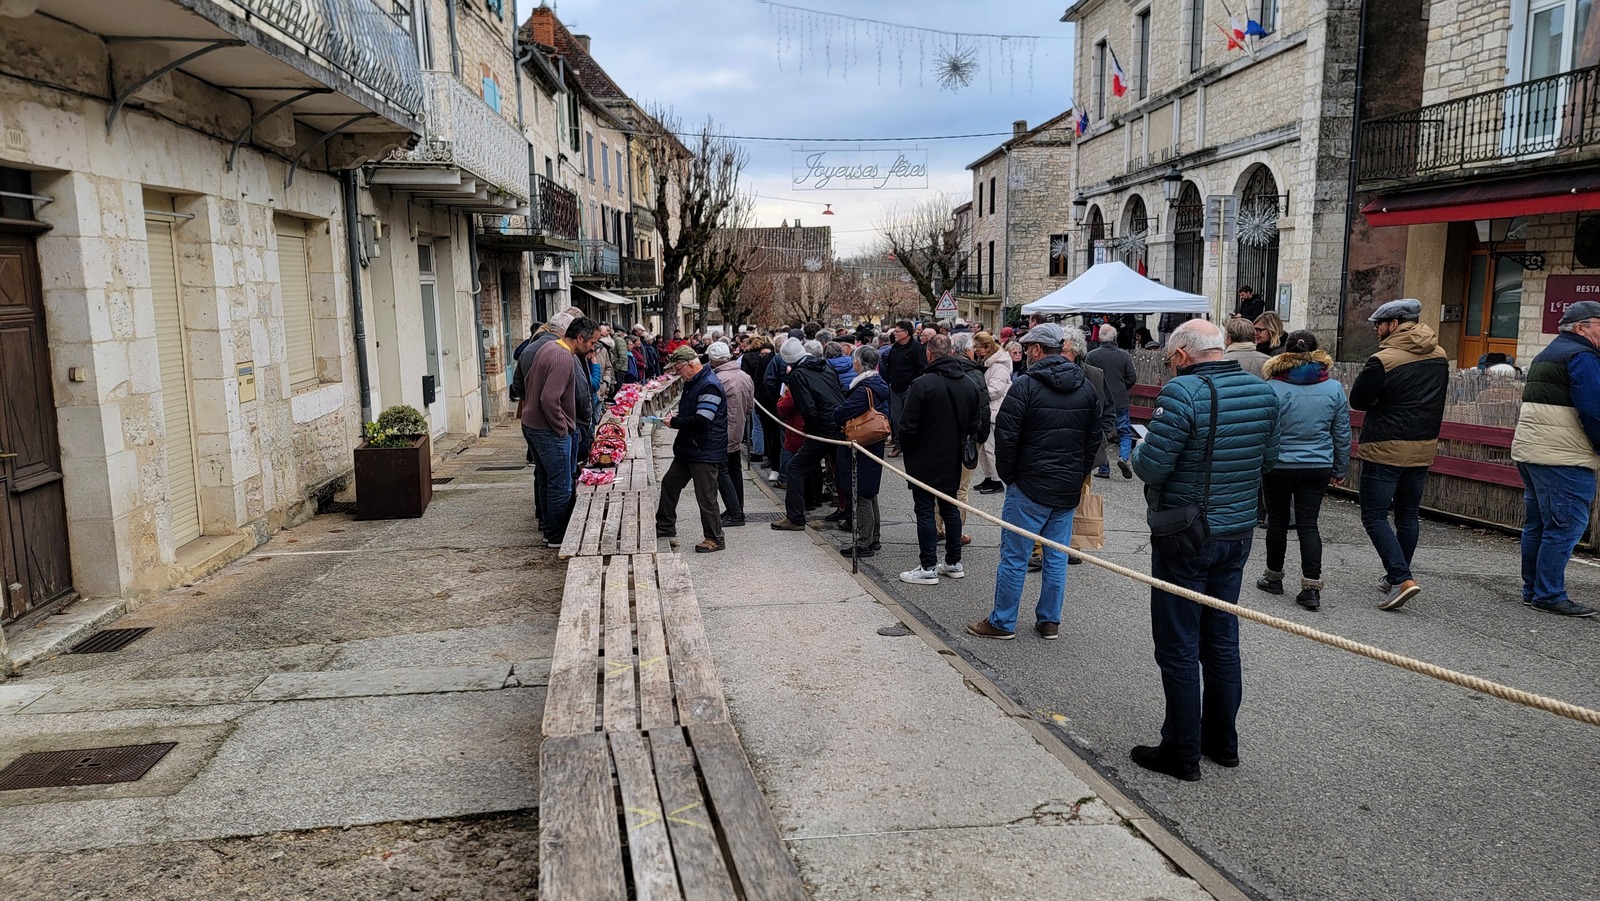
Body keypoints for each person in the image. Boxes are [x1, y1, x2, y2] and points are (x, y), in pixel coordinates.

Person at [1130, 319, 1280, 781]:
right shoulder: (1263, 391)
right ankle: (1222, 742)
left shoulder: (1182, 392)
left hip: (1187, 532)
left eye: (1169, 358)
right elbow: (1268, 460)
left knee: (1178, 642)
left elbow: (1152, 468)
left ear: (1181, 355)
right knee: (1221, 638)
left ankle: (1181, 750)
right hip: (1237, 531)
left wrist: (1136, 451)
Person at [968, 323, 1100, 640]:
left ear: (1038, 350)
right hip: (1066, 485)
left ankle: (1003, 621)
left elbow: (1007, 437)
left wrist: (1011, 477)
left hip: (1029, 484)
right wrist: (1077, 474)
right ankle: (1049, 620)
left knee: (1015, 557)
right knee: (1056, 557)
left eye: (1028, 348)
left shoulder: (1025, 386)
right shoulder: (1085, 387)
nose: (1026, 353)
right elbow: (1093, 439)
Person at [1349, 298, 1449, 611]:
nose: (1376, 330)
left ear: (1393, 324)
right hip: (1422, 445)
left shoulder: (1384, 360)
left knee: (1374, 515)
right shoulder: (1440, 354)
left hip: (1385, 446)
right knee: (1407, 515)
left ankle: (1401, 578)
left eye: (1379, 324)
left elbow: (1358, 400)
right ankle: (1396, 576)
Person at [1510, 301, 1600, 617]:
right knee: (1566, 526)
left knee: (1539, 524)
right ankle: (1549, 594)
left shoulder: (1548, 353)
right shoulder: (1582, 356)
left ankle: (1533, 590)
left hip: (1534, 452)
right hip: (1563, 456)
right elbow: (1594, 409)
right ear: (1581, 327)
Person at [1254, 331, 1351, 611]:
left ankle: (1273, 577)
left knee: (1277, 521)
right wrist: (1340, 467)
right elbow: (1341, 432)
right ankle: (1311, 588)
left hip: (1279, 465)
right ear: (1316, 353)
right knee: (1309, 524)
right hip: (1317, 464)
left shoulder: (1272, 387)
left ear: (1285, 353)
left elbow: (1263, 430)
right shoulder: (1333, 388)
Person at [897, 335, 989, 585]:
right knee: (950, 507)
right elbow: (976, 422)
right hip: (954, 455)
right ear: (951, 353)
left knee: (925, 509)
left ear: (929, 354)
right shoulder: (968, 383)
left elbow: (906, 426)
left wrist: (910, 450)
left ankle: (928, 565)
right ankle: (953, 561)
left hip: (924, 455)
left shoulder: (922, 384)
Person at [523, 316, 599, 549]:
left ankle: (549, 531)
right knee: (562, 484)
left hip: (533, 425)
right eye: (592, 342)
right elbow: (549, 399)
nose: (593, 348)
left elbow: (528, 382)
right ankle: (557, 536)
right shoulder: (564, 358)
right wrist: (563, 428)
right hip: (548, 430)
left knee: (547, 480)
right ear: (580, 338)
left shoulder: (548, 347)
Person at [655, 346, 729, 554]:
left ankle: (715, 537)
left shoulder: (709, 385)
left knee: (706, 496)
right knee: (670, 483)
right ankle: (665, 525)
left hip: (704, 449)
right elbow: (696, 412)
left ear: (690, 365)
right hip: (690, 447)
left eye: (678, 369)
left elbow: (703, 420)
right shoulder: (695, 382)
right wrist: (681, 415)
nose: (677, 374)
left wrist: (675, 422)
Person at [772, 337, 847, 531]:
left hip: (822, 429)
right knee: (841, 469)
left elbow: (807, 407)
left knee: (795, 468)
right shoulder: (825, 366)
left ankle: (795, 517)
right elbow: (840, 391)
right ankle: (847, 511)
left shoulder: (798, 375)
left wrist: (811, 431)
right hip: (839, 423)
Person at [833, 344, 892, 558]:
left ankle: (864, 541)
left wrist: (837, 411)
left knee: (861, 493)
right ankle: (873, 538)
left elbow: (842, 413)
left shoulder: (863, 388)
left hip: (862, 442)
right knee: (869, 492)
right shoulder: (878, 383)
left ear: (858, 363)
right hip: (873, 440)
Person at [709, 342, 753, 529]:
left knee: (722, 471)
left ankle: (735, 512)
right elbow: (750, 406)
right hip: (738, 428)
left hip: (722, 430)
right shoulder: (744, 376)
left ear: (713, 360)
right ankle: (736, 508)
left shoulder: (718, 379)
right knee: (734, 469)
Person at [1087, 324, 1138, 479]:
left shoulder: (1092, 356)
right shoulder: (1124, 356)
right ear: (1115, 337)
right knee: (1124, 432)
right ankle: (1123, 457)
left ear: (1099, 338)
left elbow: (1088, 377)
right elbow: (1132, 378)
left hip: (1100, 400)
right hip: (1120, 399)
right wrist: (1122, 388)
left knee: (1101, 432)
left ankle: (1104, 468)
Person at [975, 332, 1013, 494]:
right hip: (988, 409)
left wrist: (976, 394)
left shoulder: (999, 366)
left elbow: (996, 391)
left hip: (994, 411)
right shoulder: (989, 363)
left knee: (991, 448)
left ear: (987, 347)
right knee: (984, 449)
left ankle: (997, 480)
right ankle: (989, 476)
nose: (976, 350)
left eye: (978, 347)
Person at [880, 320, 925, 456]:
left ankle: (911, 445)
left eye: (898, 331)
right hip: (895, 387)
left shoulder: (916, 348)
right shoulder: (895, 347)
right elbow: (889, 364)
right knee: (895, 418)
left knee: (909, 418)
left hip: (910, 387)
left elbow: (922, 368)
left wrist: (914, 384)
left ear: (906, 333)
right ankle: (898, 444)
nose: (895, 334)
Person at [741, 335, 775, 465]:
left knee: (757, 425)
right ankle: (767, 451)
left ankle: (758, 451)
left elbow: (746, 375)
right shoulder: (772, 359)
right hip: (765, 394)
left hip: (756, 393)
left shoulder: (747, 357)